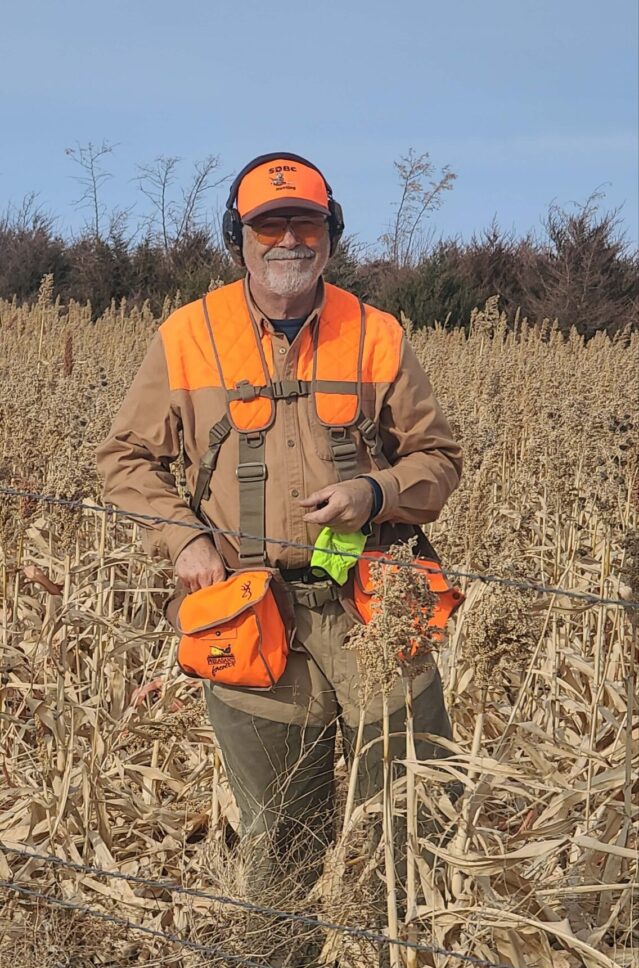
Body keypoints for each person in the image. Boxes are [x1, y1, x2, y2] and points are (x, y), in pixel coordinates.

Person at [97, 152, 462, 911]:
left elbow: (437, 460)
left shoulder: (375, 333)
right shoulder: (188, 334)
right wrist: (185, 541)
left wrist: (375, 490)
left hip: (374, 605)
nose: (288, 239)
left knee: (407, 809)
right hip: (249, 611)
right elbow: (126, 458)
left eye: (306, 222)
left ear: (331, 235)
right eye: (269, 225)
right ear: (240, 239)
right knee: (282, 828)